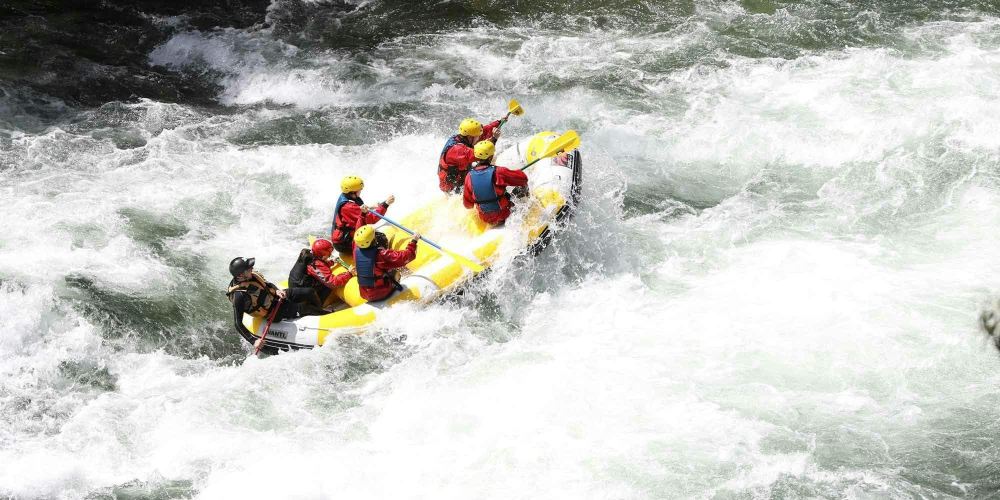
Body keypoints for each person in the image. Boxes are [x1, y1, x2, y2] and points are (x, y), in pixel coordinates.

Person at [226, 256, 299, 352]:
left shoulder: (252, 276)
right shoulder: (239, 295)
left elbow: (267, 285)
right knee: (301, 307)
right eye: (249, 268)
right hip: (273, 313)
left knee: (307, 292)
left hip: (276, 299)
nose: (252, 268)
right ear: (241, 275)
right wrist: (253, 341)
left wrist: (277, 290)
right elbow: (237, 323)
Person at [462, 140, 529, 226]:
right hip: (504, 213)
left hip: (485, 218)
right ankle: (528, 209)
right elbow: (523, 179)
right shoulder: (499, 171)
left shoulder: (469, 176)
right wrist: (514, 172)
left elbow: (468, 205)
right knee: (521, 187)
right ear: (491, 157)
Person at [353, 225, 420, 302]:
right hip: (380, 293)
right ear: (373, 240)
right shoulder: (381, 255)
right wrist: (414, 241)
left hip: (364, 293)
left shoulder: (356, 252)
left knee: (380, 270)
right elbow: (406, 256)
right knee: (395, 272)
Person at [331, 175, 394, 255]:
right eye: (359, 190)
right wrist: (386, 204)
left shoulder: (347, 196)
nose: (361, 191)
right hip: (344, 243)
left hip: (345, 236)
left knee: (373, 235)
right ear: (352, 192)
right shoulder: (348, 206)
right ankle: (379, 260)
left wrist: (371, 206)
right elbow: (371, 218)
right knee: (380, 239)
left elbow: (358, 209)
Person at [287, 238, 354, 313]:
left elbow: (319, 266)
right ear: (322, 254)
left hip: (298, 285)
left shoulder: (310, 255)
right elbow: (333, 283)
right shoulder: (315, 263)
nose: (330, 254)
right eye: (329, 253)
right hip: (302, 294)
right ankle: (318, 307)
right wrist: (349, 273)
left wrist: (331, 262)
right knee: (327, 286)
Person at [437, 117, 502, 193]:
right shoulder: (458, 150)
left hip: (460, 175)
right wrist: (494, 139)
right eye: (478, 136)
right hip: (453, 188)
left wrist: (499, 122)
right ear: (470, 137)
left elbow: (483, 132)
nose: (479, 138)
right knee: (486, 167)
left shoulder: (461, 137)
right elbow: (484, 155)